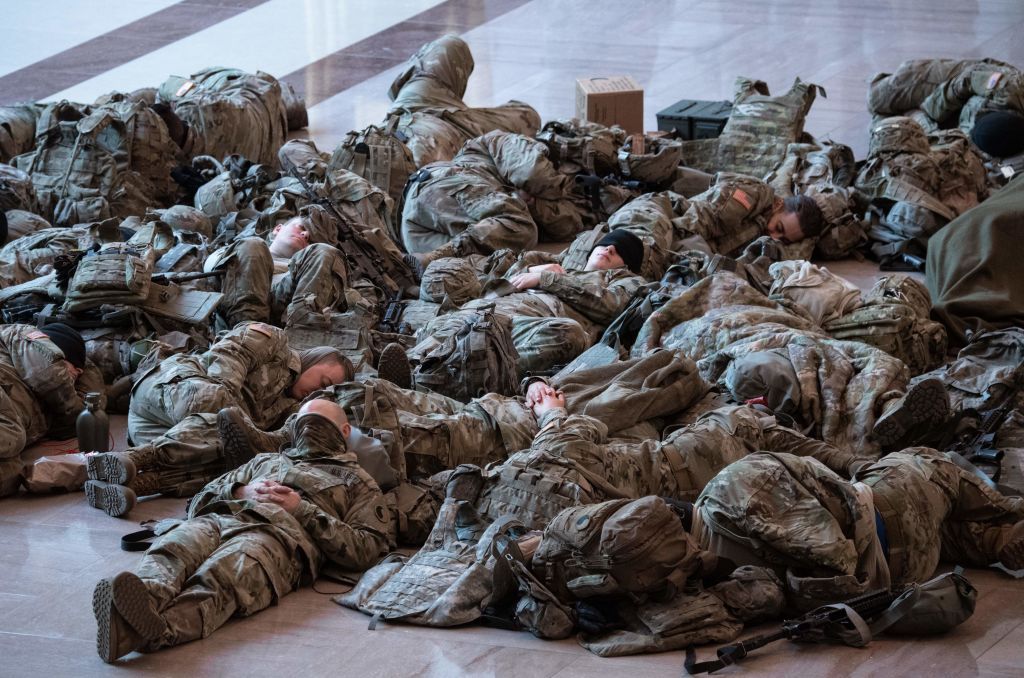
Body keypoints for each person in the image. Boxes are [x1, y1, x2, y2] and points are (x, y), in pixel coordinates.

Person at [91, 399, 394, 663]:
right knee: (175, 547)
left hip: (279, 536)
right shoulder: (265, 460)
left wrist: (302, 508)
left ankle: (153, 631)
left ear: (344, 432)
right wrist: (240, 489)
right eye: (302, 423)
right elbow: (197, 502)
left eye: (319, 423)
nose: (308, 430)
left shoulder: (360, 483)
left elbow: (365, 549)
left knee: (223, 574)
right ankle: (141, 603)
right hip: (221, 518)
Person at [694, 449, 1024, 609]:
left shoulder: (702, 584)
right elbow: (839, 552)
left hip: (903, 574)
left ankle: (999, 541)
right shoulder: (730, 485)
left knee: (944, 530)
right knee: (929, 462)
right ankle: (1011, 511)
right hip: (895, 510)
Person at [83, 322, 353, 514]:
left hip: (172, 434)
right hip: (170, 391)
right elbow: (230, 355)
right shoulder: (276, 343)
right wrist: (237, 421)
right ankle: (134, 459)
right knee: (221, 408)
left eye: (324, 392)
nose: (316, 391)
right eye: (322, 380)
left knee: (228, 469)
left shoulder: (291, 410)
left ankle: (131, 484)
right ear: (315, 359)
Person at [0, 322, 97, 496]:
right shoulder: (24, 337)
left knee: (11, 474)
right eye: (75, 371)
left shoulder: (47, 405)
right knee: (13, 434)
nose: (74, 378)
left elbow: (89, 410)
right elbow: (49, 373)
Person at [671, 173, 825, 257]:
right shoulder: (753, 196)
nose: (776, 238)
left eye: (784, 239)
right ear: (778, 205)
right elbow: (702, 220)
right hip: (670, 223)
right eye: (779, 227)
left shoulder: (766, 240)